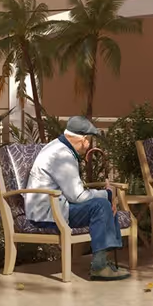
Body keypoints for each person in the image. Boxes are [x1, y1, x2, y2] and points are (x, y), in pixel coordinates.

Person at [24, 115, 130, 280]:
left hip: (54, 206)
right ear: (84, 140)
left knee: (103, 204)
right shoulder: (62, 155)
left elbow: (73, 192)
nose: (89, 145)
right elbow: (78, 196)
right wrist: (108, 194)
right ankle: (99, 267)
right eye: (89, 140)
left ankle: (103, 261)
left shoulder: (57, 147)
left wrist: (105, 197)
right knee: (101, 206)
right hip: (48, 212)